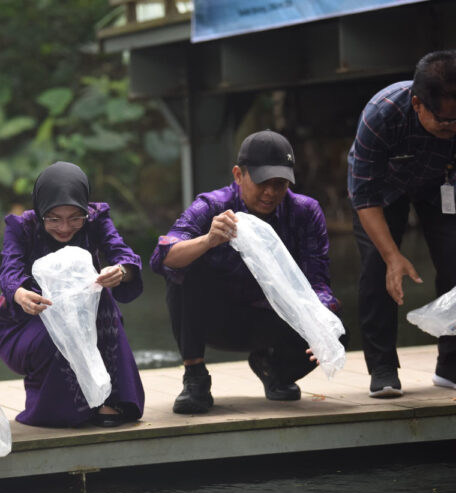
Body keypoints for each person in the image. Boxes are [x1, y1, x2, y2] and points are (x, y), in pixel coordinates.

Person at [151, 130, 343, 414]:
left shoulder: (305, 211)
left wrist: (321, 325)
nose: (271, 193)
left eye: (279, 184)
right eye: (263, 182)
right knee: (184, 270)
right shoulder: (212, 206)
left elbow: (318, 282)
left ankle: (274, 370)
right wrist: (208, 240)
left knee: (335, 329)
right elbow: (162, 257)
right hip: (216, 320)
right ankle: (195, 378)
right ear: (239, 175)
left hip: (272, 321)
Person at [0, 161, 145, 428]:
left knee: (102, 296)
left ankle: (110, 399)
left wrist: (120, 271)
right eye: (54, 219)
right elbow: (9, 270)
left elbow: (123, 255)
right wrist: (20, 294)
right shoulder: (21, 226)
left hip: (85, 316)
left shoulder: (96, 219)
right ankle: (64, 407)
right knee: (58, 325)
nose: (64, 227)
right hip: (27, 320)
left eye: (75, 218)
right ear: (41, 212)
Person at [348, 50, 456, 398]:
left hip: (443, 184)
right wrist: (393, 255)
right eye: (443, 120)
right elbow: (365, 197)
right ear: (417, 103)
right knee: (378, 265)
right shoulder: (381, 114)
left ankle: (451, 365)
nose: (451, 127)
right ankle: (383, 367)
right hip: (383, 188)